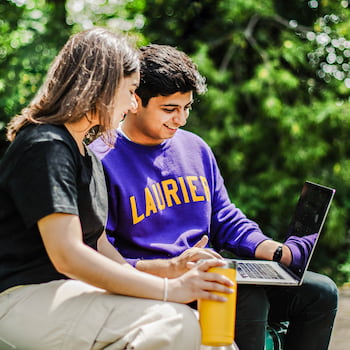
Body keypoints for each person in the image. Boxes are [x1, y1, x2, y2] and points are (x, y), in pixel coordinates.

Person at [89, 44, 339, 350]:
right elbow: (99, 254)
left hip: (211, 272)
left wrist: (275, 252)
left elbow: (224, 217)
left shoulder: (195, 148)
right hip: (159, 284)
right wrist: (170, 269)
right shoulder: (101, 160)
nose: (180, 119)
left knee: (321, 292)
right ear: (135, 101)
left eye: (187, 107)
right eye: (170, 109)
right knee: (243, 295)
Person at [0, 29, 234, 350]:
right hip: (20, 299)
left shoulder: (85, 153)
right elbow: (68, 255)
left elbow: (99, 246)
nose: (131, 104)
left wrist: (168, 273)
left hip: (68, 293)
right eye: (130, 90)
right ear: (102, 87)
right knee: (177, 323)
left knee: (215, 343)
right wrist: (170, 291)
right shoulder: (46, 145)